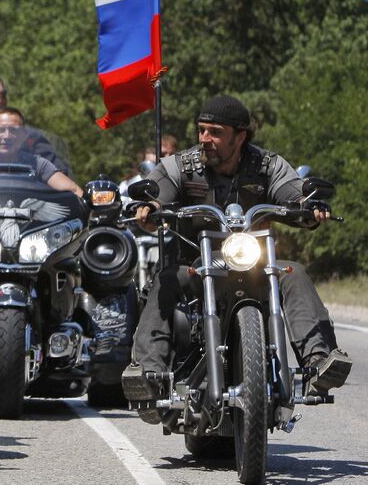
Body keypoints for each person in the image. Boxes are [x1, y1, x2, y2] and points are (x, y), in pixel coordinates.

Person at [122, 96, 351, 422]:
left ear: (240, 136)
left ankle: (319, 362)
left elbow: (291, 192)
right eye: (202, 130)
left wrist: (309, 207)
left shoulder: (267, 166)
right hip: (196, 266)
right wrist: (150, 207)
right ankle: (149, 372)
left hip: (255, 263)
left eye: (215, 132)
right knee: (165, 279)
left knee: (294, 271)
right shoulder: (183, 166)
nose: (205, 139)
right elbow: (158, 192)